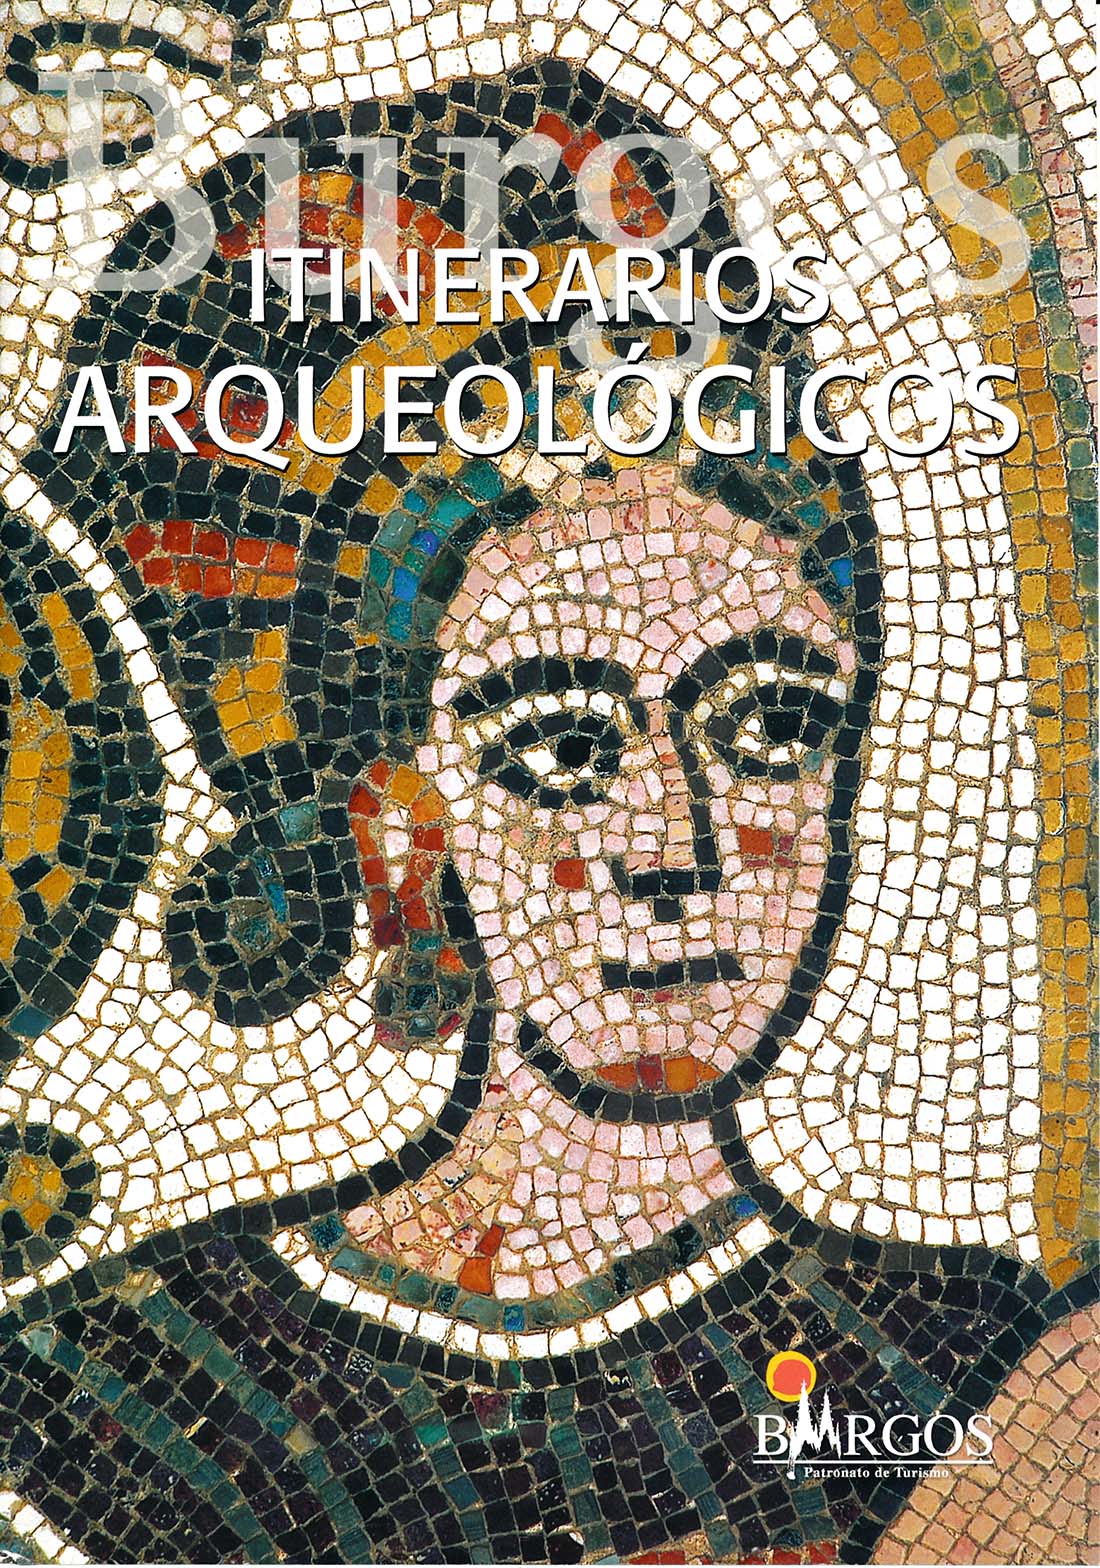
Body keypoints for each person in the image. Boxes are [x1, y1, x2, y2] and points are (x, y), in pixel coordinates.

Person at [0, 61, 1092, 1567]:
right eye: (563, 750)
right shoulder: (104, 1405)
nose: (678, 850)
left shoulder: (973, 1369)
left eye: (771, 727)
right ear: (405, 836)